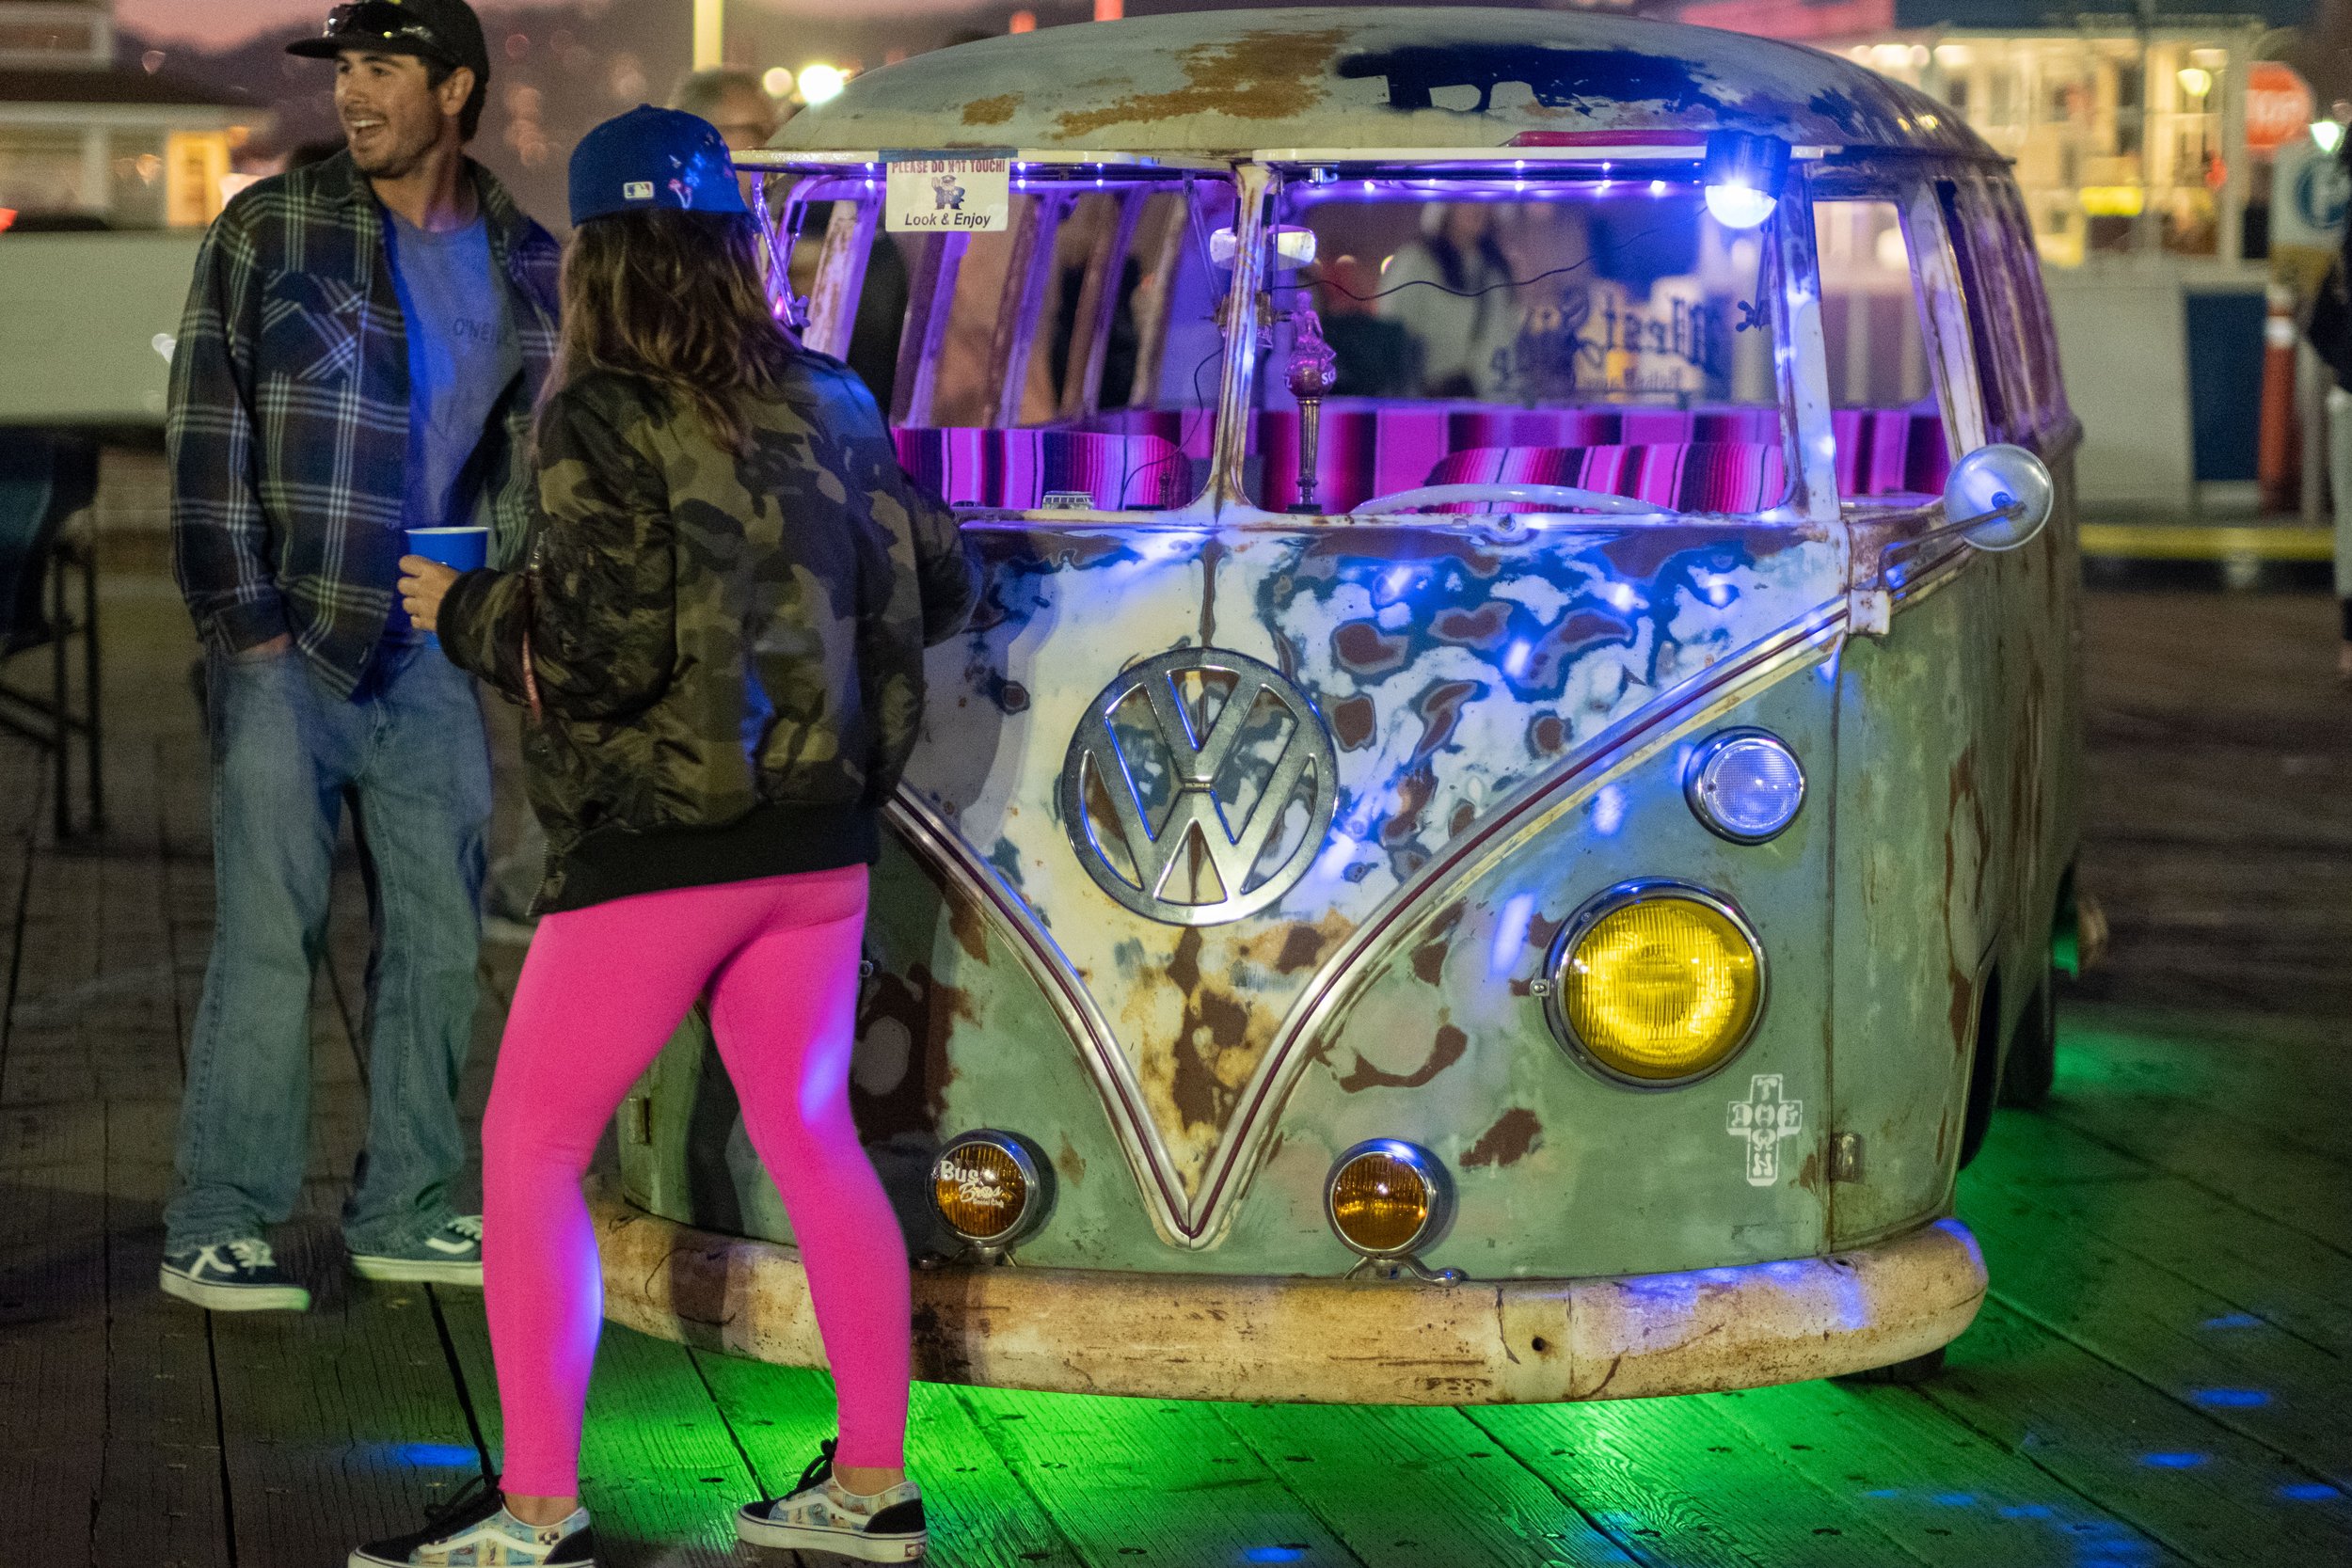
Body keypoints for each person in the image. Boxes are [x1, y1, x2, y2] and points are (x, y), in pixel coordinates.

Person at [351, 106, 977, 1568]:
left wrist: (472, 612)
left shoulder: (603, 413)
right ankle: (872, 1485)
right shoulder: (833, 397)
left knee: (527, 1149)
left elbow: (596, 654)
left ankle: (537, 1512)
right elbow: (933, 581)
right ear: (730, 246)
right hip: (818, 846)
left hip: (662, 849)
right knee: (815, 1136)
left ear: (596, 260)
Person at [161, 0, 559, 1312]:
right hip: (291, 639)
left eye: (382, 68)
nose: (352, 95)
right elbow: (205, 423)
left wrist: (513, 610)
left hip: (435, 642)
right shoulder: (273, 229)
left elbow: (531, 461)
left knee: (442, 938)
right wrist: (247, 617)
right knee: (272, 934)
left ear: (454, 88)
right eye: (345, 72)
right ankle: (220, 1218)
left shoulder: (529, 260)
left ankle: (406, 1206)